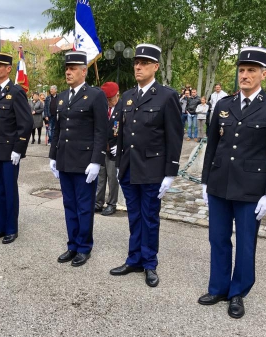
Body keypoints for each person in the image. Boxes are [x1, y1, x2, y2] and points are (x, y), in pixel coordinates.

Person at [199, 47, 266, 319]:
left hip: (252, 189)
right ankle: (218, 287)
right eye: (241, 70)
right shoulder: (224, 104)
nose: (245, 75)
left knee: (246, 243)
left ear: (263, 74)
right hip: (219, 183)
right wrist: (206, 181)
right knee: (217, 238)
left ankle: (238, 292)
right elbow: (212, 144)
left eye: (252, 70)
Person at [110, 44, 183, 287]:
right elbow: (122, 133)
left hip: (153, 169)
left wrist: (170, 173)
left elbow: (174, 136)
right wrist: (119, 163)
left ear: (156, 67)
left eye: (144, 63)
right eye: (136, 63)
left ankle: (150, 263)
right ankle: (134, 259)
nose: (138, 67)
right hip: (129, 167)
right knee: (134, 216)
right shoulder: (129, 97)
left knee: (149, 217)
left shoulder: (167, 96)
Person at [49, 50, 108, 267]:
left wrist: (96, 161)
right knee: (69, 205)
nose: (68, 72)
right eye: (67, 68)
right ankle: (72, 244)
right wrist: (52, 156)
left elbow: (102, 130)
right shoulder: (63, 97)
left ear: (84, 71)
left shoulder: (95, 95)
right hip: (65, 160)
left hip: (84, 163)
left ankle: (84, 247)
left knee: (84, 207)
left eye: (73, 68)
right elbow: (58, 129)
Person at [0, 52, 33, 244]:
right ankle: (1, 227)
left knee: (9, 190)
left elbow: (26, 123)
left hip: (9, 151)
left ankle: (12, 229)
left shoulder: (16, 92)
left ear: (8, 69)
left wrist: (18, 149)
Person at [95, 81, 121, 216]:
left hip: (114, 149)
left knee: (112, 178)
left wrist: (120, 144)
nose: (109, 102)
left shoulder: (122, 108)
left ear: (117, 95)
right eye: (107, 100)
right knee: (100, 177)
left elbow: (126, 130)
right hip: (102, 148)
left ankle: (112, 203)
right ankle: (98, 202)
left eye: (110, 99)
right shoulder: (103, 109)